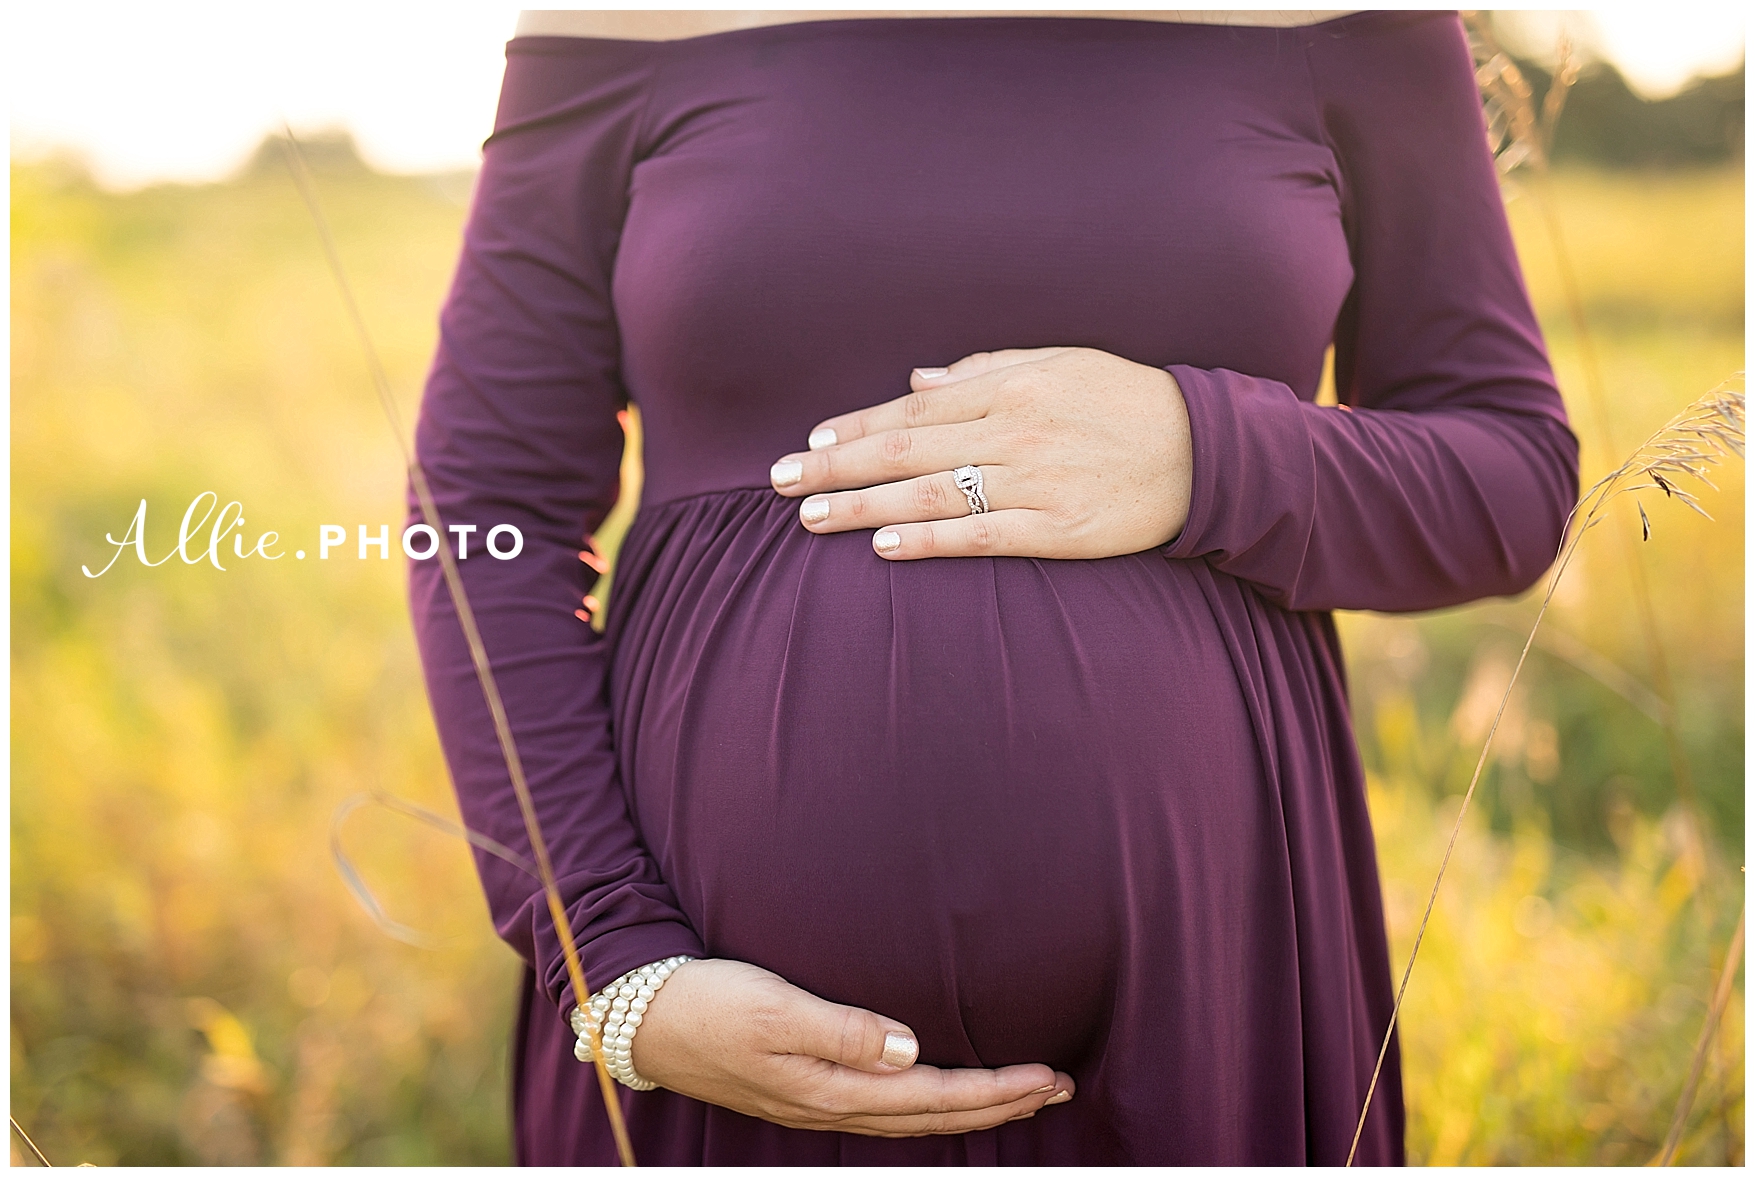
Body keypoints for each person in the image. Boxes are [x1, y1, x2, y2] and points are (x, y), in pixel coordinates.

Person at [407, 9, 1578, 1164]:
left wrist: (1204, 450)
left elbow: (1516, 479)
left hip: (1212, 1013)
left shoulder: (1348, 21)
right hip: (706, 1037)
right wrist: (608, 950)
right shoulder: (624, 20)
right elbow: (479, 510)